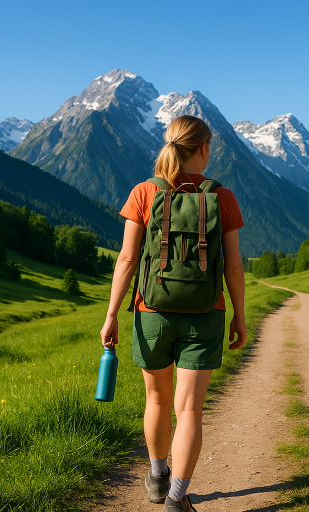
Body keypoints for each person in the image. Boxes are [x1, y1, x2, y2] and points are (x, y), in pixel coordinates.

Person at [100, 115, 247, 512]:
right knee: (189, 409)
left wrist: (112, 313)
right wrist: (239, 315)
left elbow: (128, 259)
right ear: (204, 149)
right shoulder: (223, 197)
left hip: (151, 310)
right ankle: (177, 500)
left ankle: (157, 474)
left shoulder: (144, 193)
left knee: (158, 401)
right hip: (206, 312)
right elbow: (233, 266)